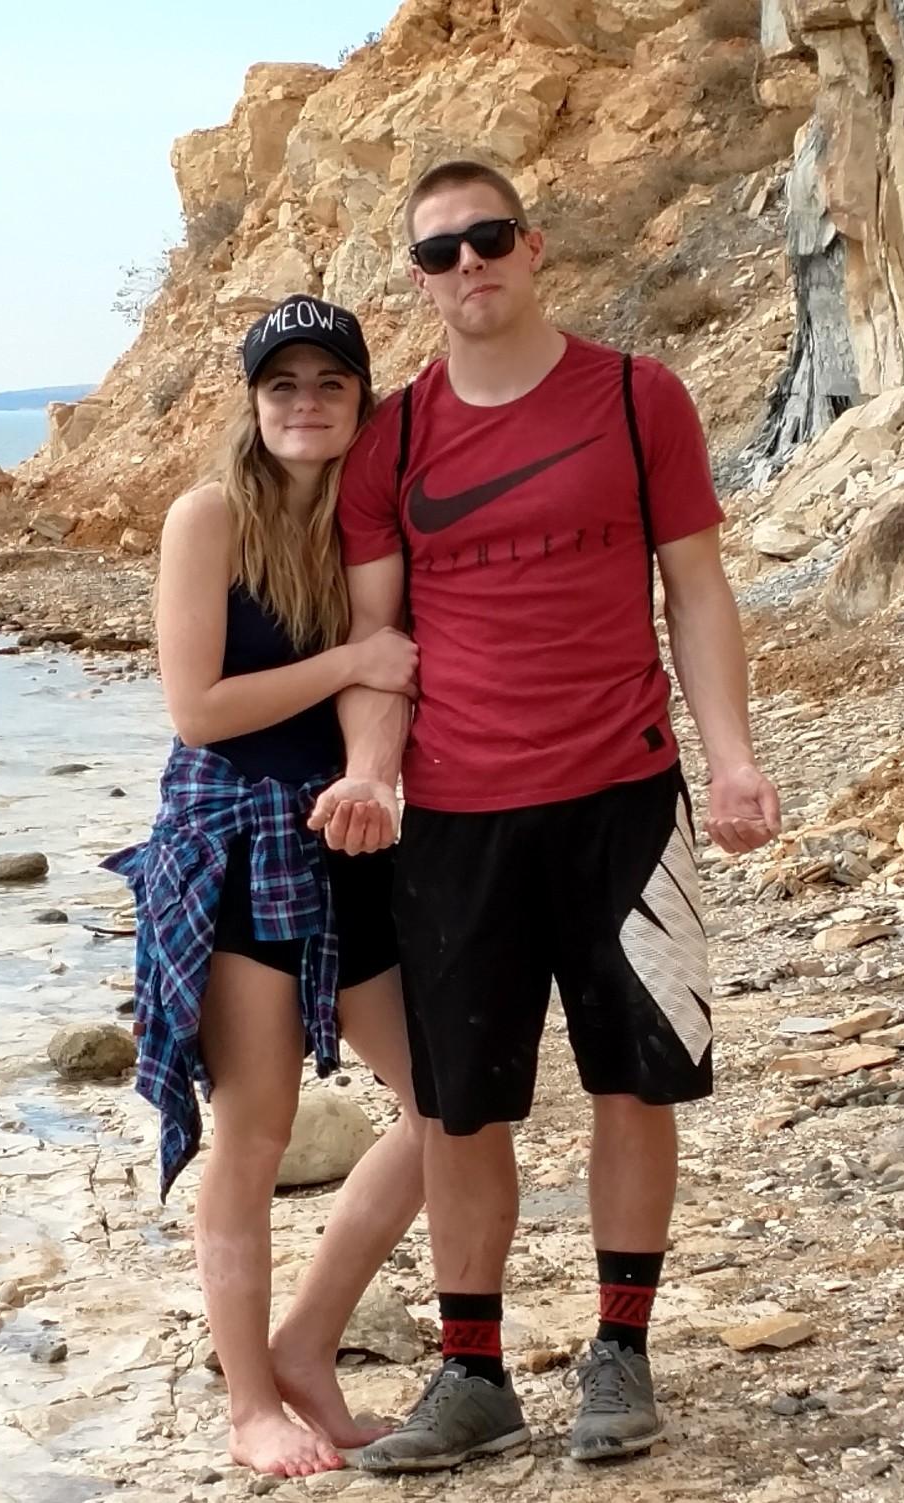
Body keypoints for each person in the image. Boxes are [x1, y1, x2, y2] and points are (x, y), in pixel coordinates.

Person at [307, 162, 782, 1471]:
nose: (469, 266)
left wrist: (730, 758)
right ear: (415, 278)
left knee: (635, 1076)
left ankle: (619, 1351)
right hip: (456, 819)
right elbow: (375, 643)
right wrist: (366, 771)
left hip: (624, 796)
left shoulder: (638, 400)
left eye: (489, 239)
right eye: (440, 252)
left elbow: (696, 593)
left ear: (533, 246)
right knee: (461, 1107)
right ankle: (472, 1373)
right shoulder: (391, 443)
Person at [104, 293, 425, 1479]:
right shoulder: (208, 518)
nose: (304, 404)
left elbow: (397, 676)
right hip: (234, 847)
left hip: (351, 842)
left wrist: (369, 769)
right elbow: (198, 710)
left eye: (328, 385)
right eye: (282, 385)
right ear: (253, 401)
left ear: (359, 399)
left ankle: (305, 1347)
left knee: (449, 1107)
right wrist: (348, 658)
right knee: (256, 1134)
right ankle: (250, 1406)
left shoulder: (367, 520)